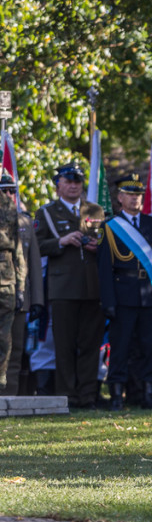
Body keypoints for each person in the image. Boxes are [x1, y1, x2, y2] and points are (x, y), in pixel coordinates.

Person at [34, 162, 106, 409]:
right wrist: (61, 241)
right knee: (64, 345)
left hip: (92, 286)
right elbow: (36, 246)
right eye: (69, 181)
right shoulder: (46, 213)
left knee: (90, 343)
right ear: (58, 186)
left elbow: (108, 244)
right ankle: (66, 395)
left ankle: (88, 395)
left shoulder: (95, 211)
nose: (74, 185)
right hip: (63, 287)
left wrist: (99, 247)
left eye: (77, 181)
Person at [96, 174, 152, 410]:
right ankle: (117, 395)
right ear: (120, 198)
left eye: (138, 195)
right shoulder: (110, 227)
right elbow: (104, 269)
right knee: (120, 346)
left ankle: (147, 394)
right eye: (130, 194)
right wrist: (108, 301)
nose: (135, 199)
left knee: (149, 347)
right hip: (122, 296)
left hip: (149, 295)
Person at [0, 172, 42, 397]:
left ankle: (8, 400)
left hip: (15, 293)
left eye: (12, 191)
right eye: (4, 190)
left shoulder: (24, 221)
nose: (8, 195)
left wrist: (36, 299)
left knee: (14, 352)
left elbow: (30, 262)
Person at [0, 170, 26, 398]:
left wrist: (21, 288)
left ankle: (2, 389)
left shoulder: (9, 209)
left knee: (5, 341)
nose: (8, 194)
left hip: (5, 283)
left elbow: (17, 251)